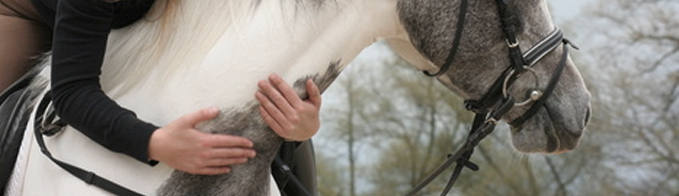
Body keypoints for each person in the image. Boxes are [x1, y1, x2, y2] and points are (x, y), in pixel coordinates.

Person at [0, 0, 321, 176]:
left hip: (126, 19)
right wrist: (154, 143)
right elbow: (71, 92)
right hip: (25, 10)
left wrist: (301, 123)